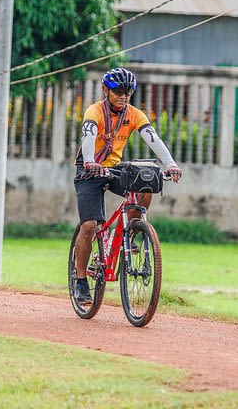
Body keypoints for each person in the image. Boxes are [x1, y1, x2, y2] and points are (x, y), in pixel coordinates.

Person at [73, 67, 183, 304]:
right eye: (118, 91)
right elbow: (89, 135)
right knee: (90, 225)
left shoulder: (134, 114)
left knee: (146, 183)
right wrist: (90, 162)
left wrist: (171, 164)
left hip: (113, 167)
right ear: (106, 90)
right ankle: (81, 281)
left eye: (128, 91)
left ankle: (131, 231)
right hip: (89, 168)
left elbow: (152, 137)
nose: (123, 96)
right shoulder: (94, 111)